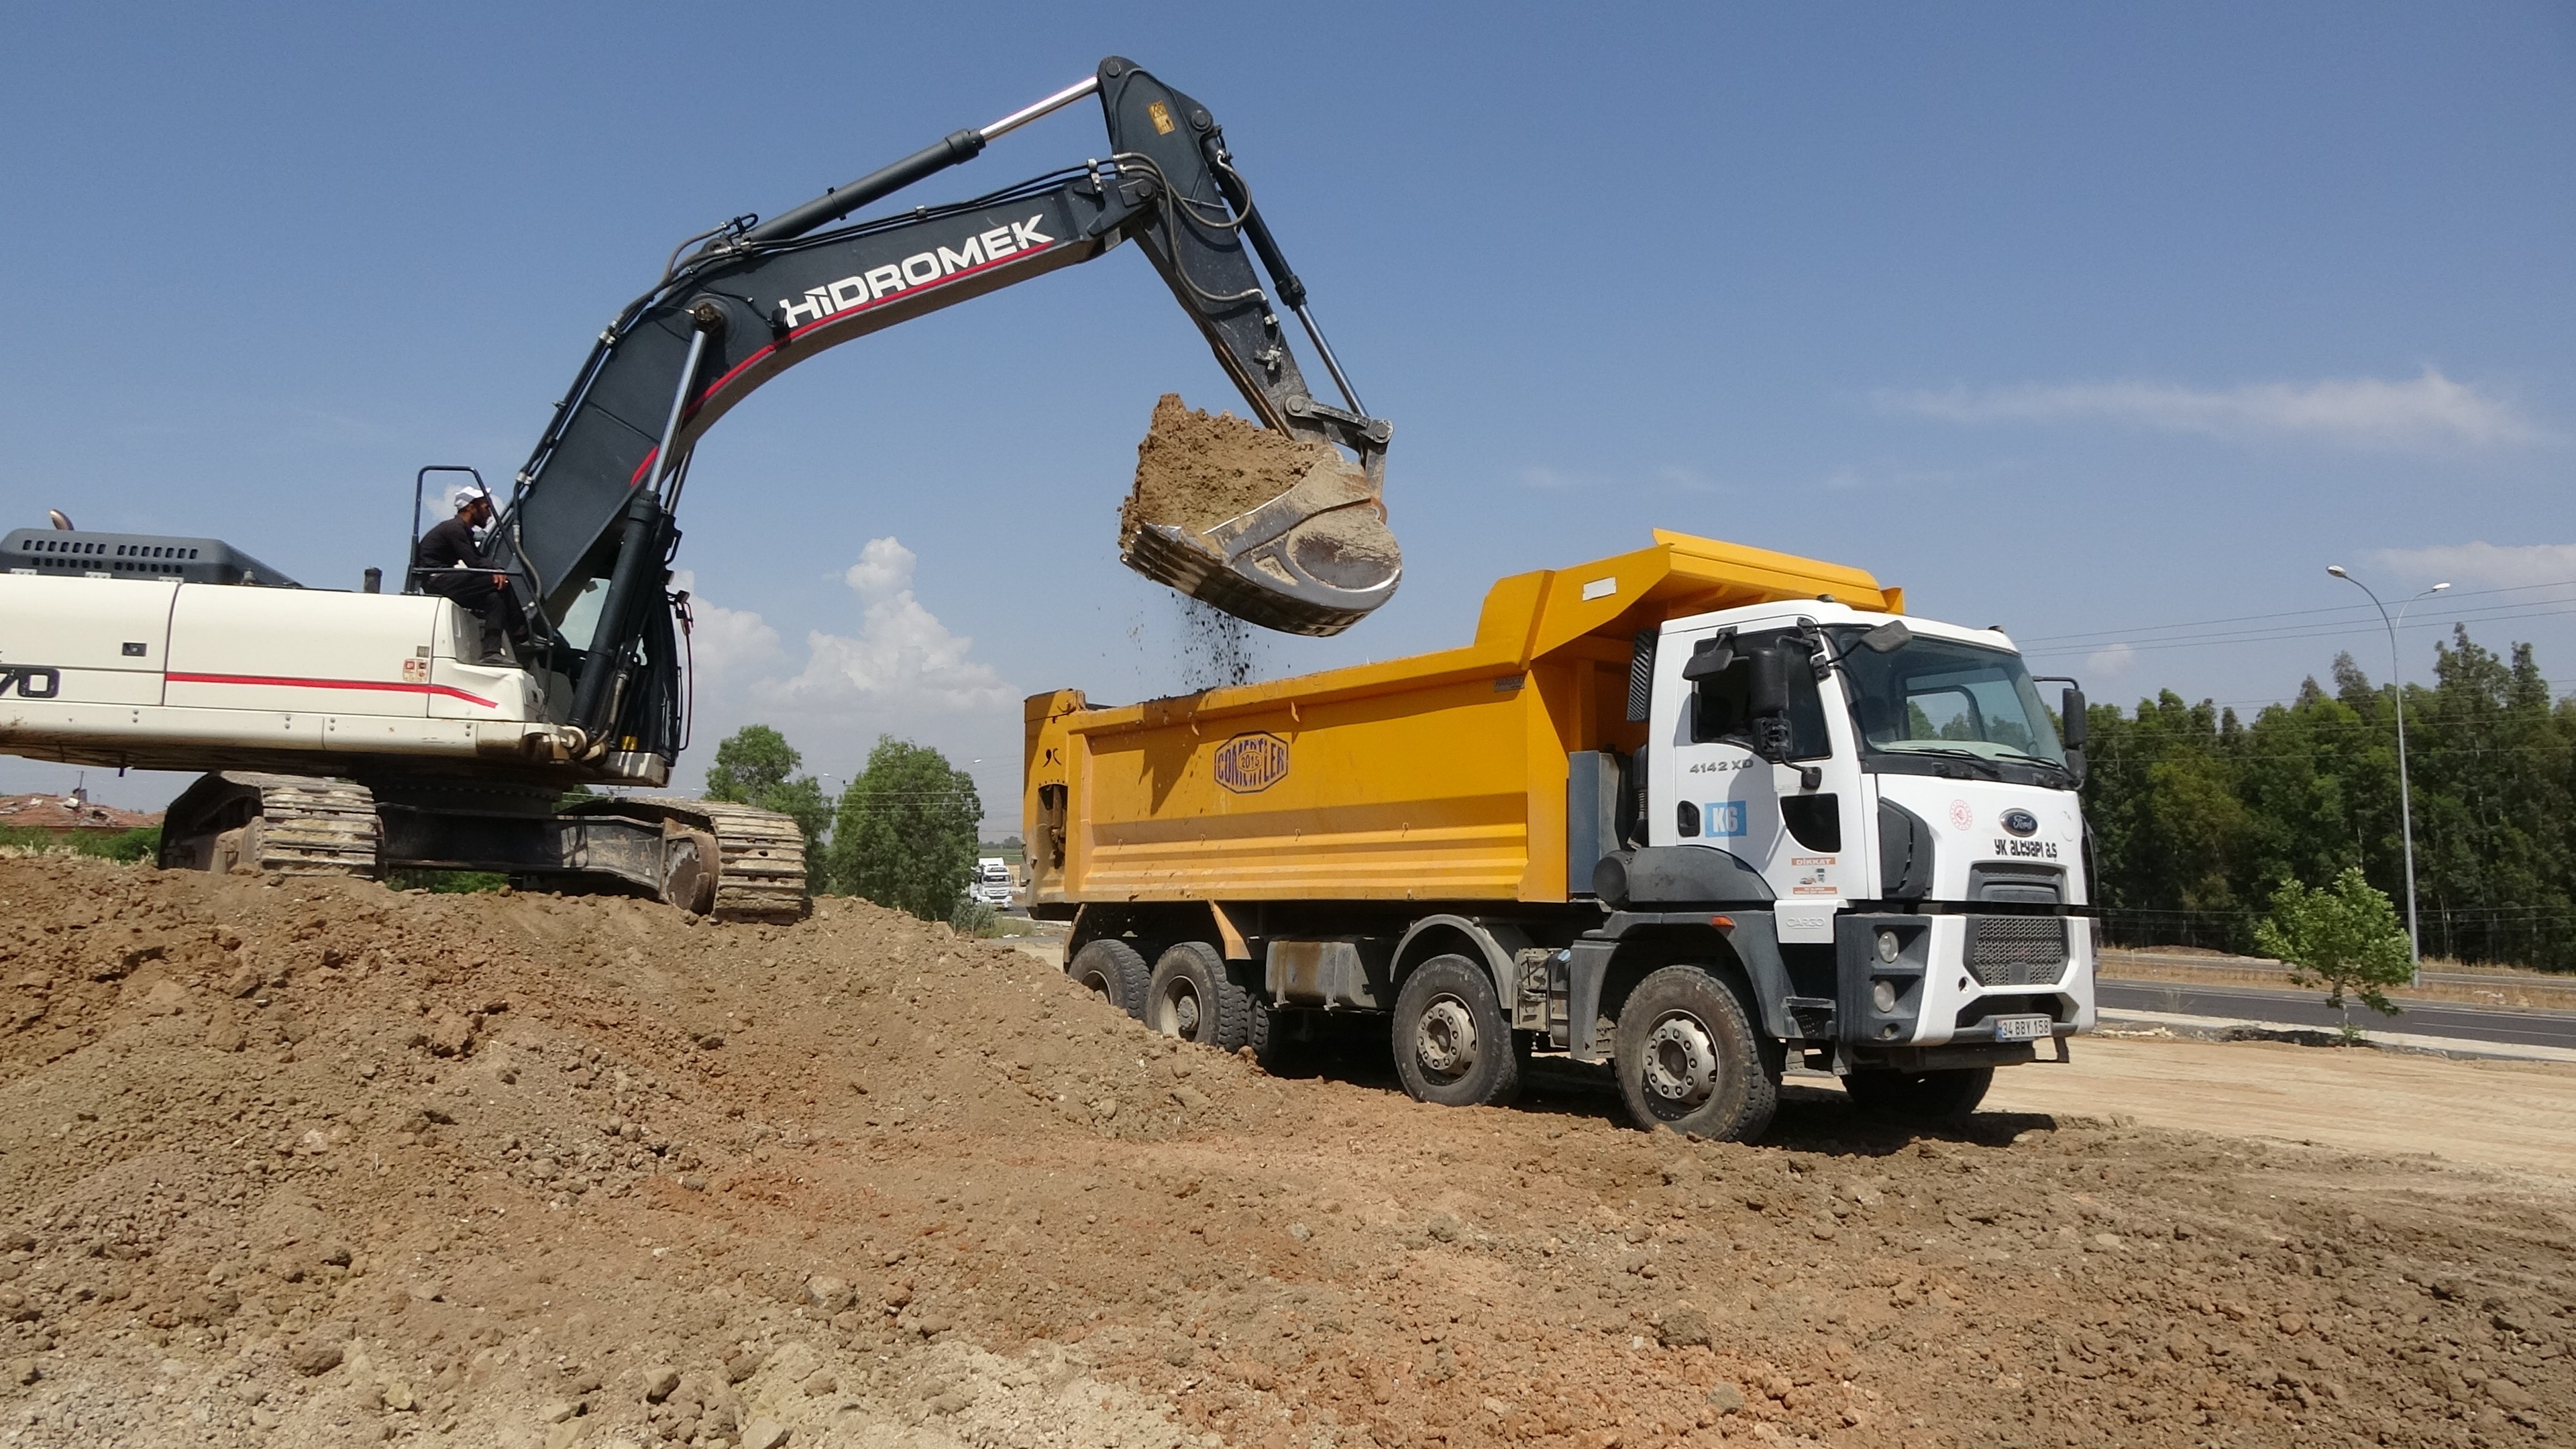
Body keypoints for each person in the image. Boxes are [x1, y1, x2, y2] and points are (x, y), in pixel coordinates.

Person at [413, 489, 531, 663]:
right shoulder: (454, 529)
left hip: (443, 578)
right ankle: (520, 629)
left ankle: (491, 652)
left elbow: (478, 559)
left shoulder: (461, 530)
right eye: (485, 508)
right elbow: (474, 561)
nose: (489, 514)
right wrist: (497, 570)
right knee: (500, 582)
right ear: (471, 508)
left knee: (495, 596)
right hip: (437, 579)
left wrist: (495, 568)